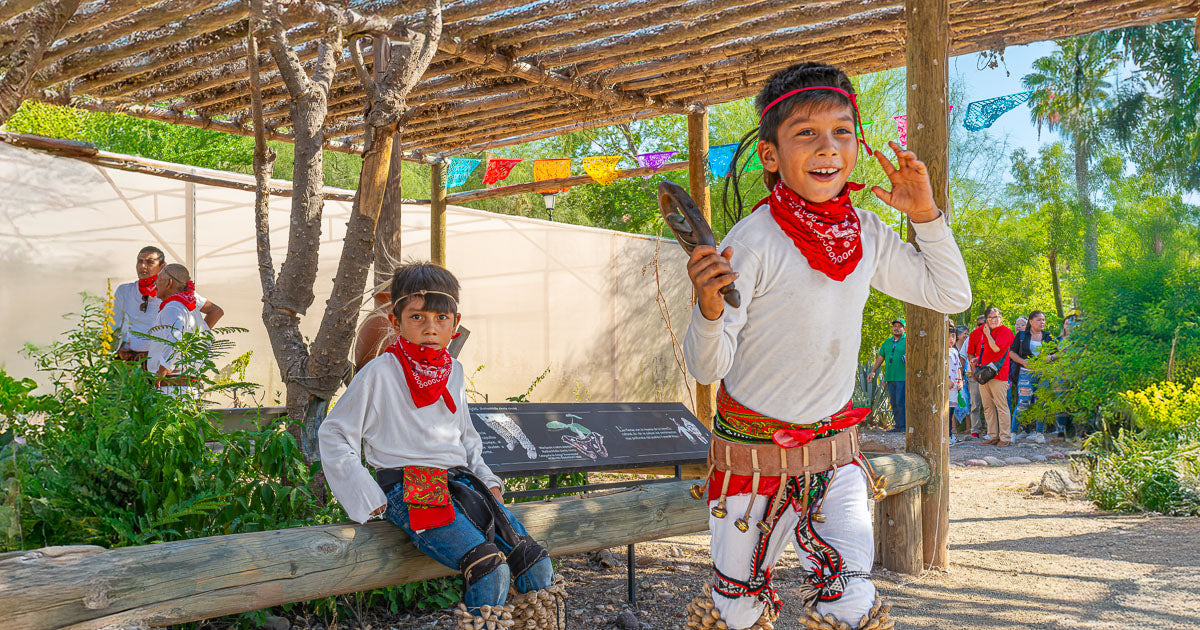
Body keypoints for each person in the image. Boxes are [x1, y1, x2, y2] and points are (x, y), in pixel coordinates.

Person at [681, 63, 971, 630]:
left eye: (842, 131)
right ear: (771, 155)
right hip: (750, 458)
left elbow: (949, 293)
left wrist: (926, 216)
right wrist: (710, 307)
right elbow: (706, 365)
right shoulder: (753, 240)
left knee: (853, 604)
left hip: (833, 453)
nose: (827, 147)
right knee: (735, 610)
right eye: (806, 133)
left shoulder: (865, 231)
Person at [318, 262, 564, 630]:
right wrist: (367, 495)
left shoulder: (454, 371)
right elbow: (335, 433)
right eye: (417, 317)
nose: (430, 327)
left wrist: (486, 478)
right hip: (413, 487)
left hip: (463, 485)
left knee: (535, 561)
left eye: (441, 317)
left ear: (455, 322)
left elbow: (465, 438)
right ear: (395, 320)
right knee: (489, 571)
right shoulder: (379, 372)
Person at [112, 246, 224, 361]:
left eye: (150, 262)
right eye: (140, 261)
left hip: (164, 362)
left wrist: (195, 340)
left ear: (162, 267)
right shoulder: (125, 291)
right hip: (134, 361)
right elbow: (114, 324)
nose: (142, 266)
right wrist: (117, 347)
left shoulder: (177, 290)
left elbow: (215, 311)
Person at [146, 264, 206, 397]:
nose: (155, 283)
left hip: (172, 388)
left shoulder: (172, 308)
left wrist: (162, 371)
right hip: (186, 387)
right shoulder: (188, 308)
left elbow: (175, 340)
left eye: (158, 279)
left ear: (169, 283)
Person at [1009, 310, 1059, 443]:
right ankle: (1013, 433)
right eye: (1039, 320)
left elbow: (1057, 354)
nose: (1042, 322)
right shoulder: (1022, 335)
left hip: (1043, 374)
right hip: (1026, 373)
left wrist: (1050, 358)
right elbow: (1012, 353)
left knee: (1041, 403)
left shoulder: (1049, 337)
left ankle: (1039, 433)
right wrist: (1023, 361)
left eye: (1043, 320)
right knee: (1023, 402)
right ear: (1031, 322)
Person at [970, 307, 1015, 446]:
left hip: (999, 374)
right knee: (988, 407)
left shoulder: (1005, 331)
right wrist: (976, 359)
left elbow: (996, 349)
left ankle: (1005, 437)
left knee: (1001, 406)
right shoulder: (980, 332)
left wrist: (988, 334)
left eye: (996, 317)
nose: (994, 320)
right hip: (985, 374)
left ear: (1001, 318)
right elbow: (987, 351)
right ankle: (993, 435)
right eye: (990, 318)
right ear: (986, 320)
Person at [868, 318, 907, 432]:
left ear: (904, 329)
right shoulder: (887, 342)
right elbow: (881, 357)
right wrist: (873, 371)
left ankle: (904, 426)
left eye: (899, 326)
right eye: (894, 326)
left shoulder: (907, 340)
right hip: (890, 377)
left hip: (903, 377)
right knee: (893, 402)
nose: (896, 328)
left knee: (901, 402)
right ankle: (898, 426)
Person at [964, 313, 987, 439]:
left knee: (989, 404)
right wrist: (972, 372)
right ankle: (975, 430)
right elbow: (967, 355)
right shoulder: (972, 336)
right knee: (975, 403)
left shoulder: (994, 335)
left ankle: (991, 430)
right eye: (979, 324)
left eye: (985, 322)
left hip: (990, 375)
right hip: (974, 374)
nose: (982, 325)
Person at [947, 324, 964, 445]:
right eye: (949, 336)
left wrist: (960, 380)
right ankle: (946, 436)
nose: (952, 339)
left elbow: (958, 367)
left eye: (953, 336)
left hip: (954, 387)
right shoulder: (941, 351)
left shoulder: (954, 351)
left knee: (951, 411)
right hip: (945, 386)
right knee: (945, 412)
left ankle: (950, 435)